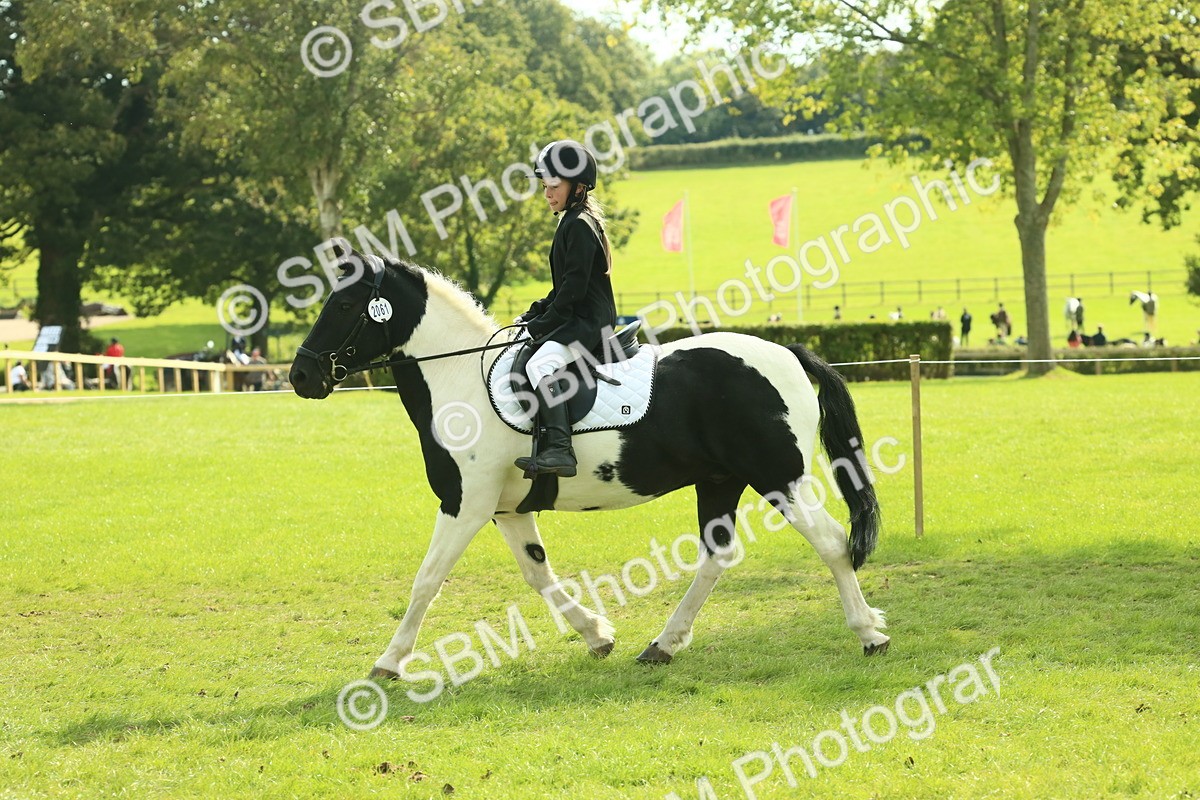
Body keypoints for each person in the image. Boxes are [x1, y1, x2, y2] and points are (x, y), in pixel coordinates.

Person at [513, 140, 617, 478]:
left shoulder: (579, 225)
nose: (547, 193)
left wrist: (541, 326)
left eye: (554, 185)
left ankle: (560, 449)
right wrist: (535, 312)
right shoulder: (570, 221)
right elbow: (563, 289)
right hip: (577, 316)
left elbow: (572, 293)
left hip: (589, 323)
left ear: (577, 187)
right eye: (545, 186)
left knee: (541, 366)